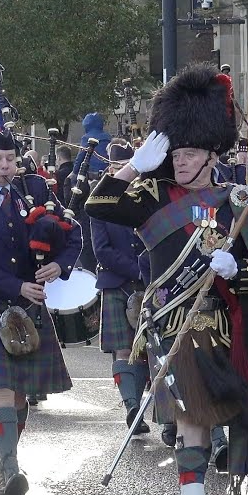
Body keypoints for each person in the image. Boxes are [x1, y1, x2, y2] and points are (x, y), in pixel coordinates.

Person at [87, 64, 248, 495]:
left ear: (213, 153)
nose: (181, 161)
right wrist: (132, 167)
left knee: (211, 417)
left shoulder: (236, 200)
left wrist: (237, 270)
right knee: (192, 413)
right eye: (176, 152)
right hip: (174, 319)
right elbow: (97, 205)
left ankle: (232, 485)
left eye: (190, 153)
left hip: (228, 327)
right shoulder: (150, 192)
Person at [0, 126, 81, 495]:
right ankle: (10, 467)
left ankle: (4, 460)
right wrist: (16, 287)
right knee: (3, 390)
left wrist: (59, 265)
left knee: (21, 394)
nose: (4, 167)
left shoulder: (36, 193)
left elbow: (71, 237)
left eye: (9, 160)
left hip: (28, 307)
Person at [91, 140, 151, 434]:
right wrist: (138, 270)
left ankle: (151, 410)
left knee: (149, 349)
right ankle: (131, 408)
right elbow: (101, 250)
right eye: (117, 167)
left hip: (150, 282)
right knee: (123, 349)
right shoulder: (101, 198)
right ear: (111, 169)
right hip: (117, 282)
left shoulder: (147, 196)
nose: (122, 173)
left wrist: (149, 271)